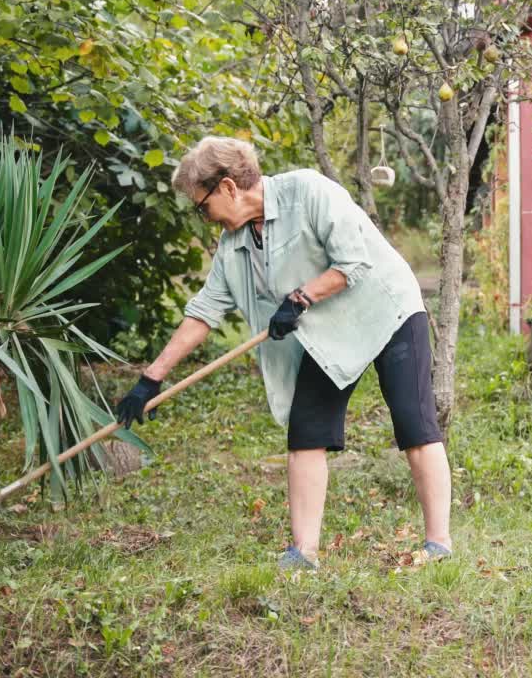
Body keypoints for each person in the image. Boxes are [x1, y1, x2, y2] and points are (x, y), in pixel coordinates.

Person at [115, 137, 452, 570]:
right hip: (327, 331)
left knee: (414, 421)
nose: (205, 219)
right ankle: (303, 553)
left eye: (202, 206)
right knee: (307, 430)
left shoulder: (309, 192)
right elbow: (204, 313)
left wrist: (299, 298)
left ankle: (439, 544)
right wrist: (150, 379)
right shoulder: (232, 246)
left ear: (228, 188)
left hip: (386, 308)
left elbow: (353, 261)